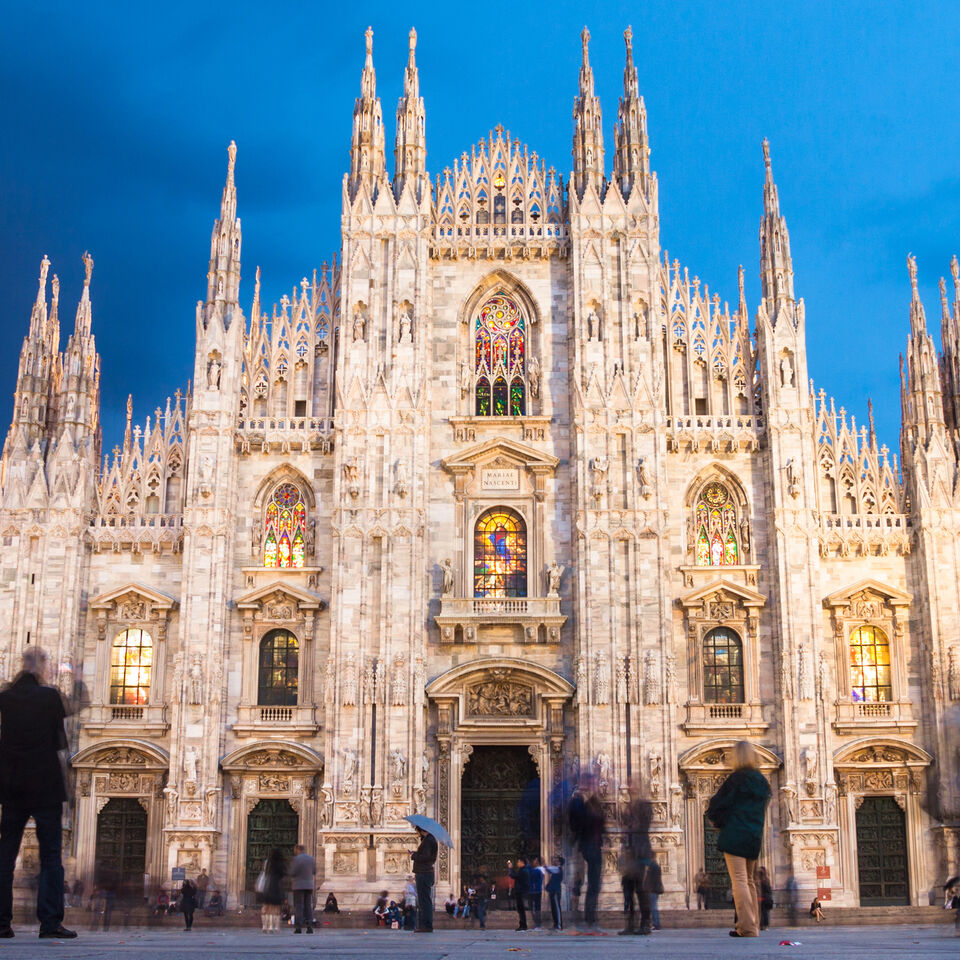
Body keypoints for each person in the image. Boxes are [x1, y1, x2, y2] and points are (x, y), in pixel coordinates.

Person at [0, 646, 77, 939]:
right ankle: (50, 923)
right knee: (51, 857)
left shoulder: (5, 698)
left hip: (10, 785)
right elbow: (61, 735)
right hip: (45, 785)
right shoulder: (49, 696)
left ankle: (1, 923)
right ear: (41, 666)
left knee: (5, 855)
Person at [706, 740, 772, 938]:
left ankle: (746, 927)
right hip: (754, 836)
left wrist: (717, 820)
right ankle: (754, 925)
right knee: (750, 881)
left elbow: (718, 803)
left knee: (739, 881)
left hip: (735, 835)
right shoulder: (762, 781)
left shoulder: (737, 779)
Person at [569, 779, 605, 928]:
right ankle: (589, 917)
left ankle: (590, 917)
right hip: (590, 847)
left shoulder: (589, 806)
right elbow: (580, 824)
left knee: (593, 883)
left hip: (591, 847)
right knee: (592, 883)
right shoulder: (586, 806)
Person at [410, 826, 438, 932]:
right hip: (425, 873)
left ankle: (426, 925)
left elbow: (425, 857)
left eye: (417, 831)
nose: (417, 834)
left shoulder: (429, 840)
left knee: (424, 901)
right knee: (424, 900)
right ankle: (426, 925)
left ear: (422, 830)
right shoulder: (429, 840)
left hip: (424, 873)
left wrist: (414, 856)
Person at [288, 843, 316, 934]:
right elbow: (314, 871)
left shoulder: (296, 859)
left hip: (298, 886)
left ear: (297, 850)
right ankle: (309, 926)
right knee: (308, 906)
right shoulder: (311, 859)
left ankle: (298, 927)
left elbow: (292, 872)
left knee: (299, 906)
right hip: (309, 885)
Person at [259, 847, 286, 933]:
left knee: (266, 907)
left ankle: (265, 926)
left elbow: (264, 873)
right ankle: (275, 927)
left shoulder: (267, 862)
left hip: (268, 885)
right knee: (276, 908)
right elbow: (283, 874)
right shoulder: (281, 863)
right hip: (277, 886)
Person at [508, 857, 531, 931]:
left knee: (521, 909)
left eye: (518, 862)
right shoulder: (522, 870)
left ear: (522, 862)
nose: (517, 863)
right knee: (520, 909)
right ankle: (522, 924)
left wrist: (510, 868)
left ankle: (523, 925)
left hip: (521, 892)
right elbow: (516, 875)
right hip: (520, 891)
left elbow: (513, 875)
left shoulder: (524, 871)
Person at [544, 856, 564, 931]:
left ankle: (559, 925)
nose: (555, 861)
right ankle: (555, 924)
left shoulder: (558, 869)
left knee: (557, 908)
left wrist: (545, 865)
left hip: (556, 891)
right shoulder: (556, 869)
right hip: (552, 891)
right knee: (553, 908)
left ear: (559, 862)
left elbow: (549, 869)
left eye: (556, 860)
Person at [527, 856, 544, 930]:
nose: (534, 861)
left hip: (536, 890)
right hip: (533, 890)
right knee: (532, 907)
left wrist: (527, 865)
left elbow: (533, 873)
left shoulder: (539, 870)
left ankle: (538, 924)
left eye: (535, 860)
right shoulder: (536, 869)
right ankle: (536, 923)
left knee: (536, 907)